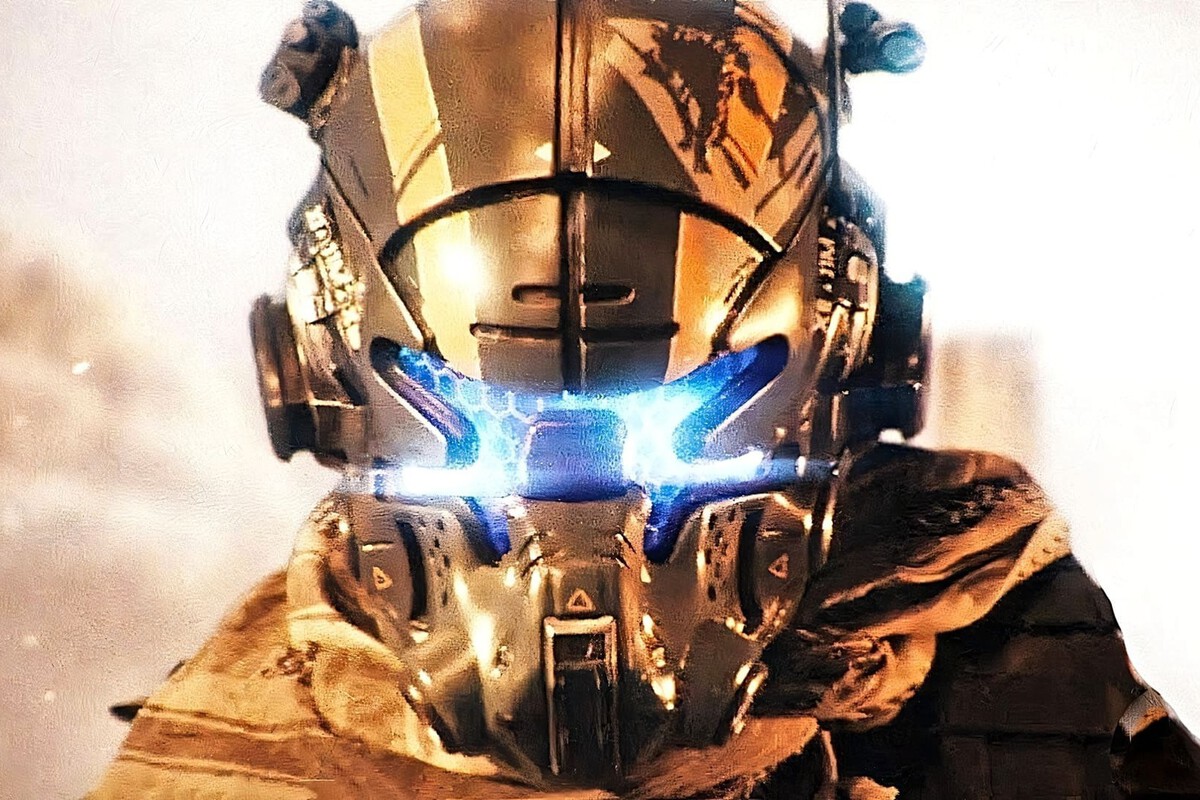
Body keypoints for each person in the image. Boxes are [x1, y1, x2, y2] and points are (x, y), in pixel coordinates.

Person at [89, 1, 1200, 797]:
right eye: (478, 443)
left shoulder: (999, 648)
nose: (577, 522)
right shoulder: (236, 738)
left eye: (682, 442)